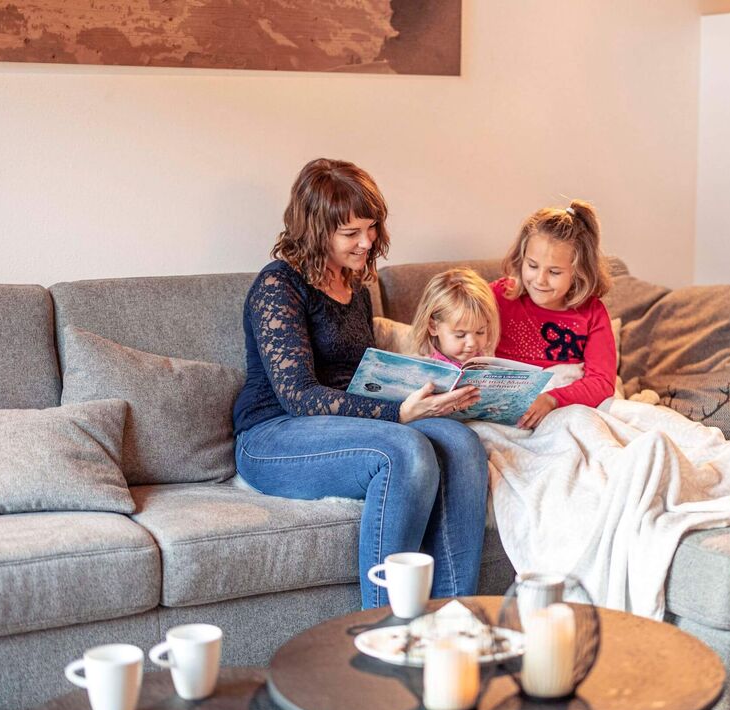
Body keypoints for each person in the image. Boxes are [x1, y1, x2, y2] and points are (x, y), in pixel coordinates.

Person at [232, 158, 489, 610]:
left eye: (370, 229)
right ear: (314, 231)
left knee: (462, 444)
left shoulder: (356, 286)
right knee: (404, 451)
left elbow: (363, 380)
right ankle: (385, 624)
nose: (367, 242)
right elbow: (299, 396)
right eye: (351, 234)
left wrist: (427, 396)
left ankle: (453, 619)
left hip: (344, 424)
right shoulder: (278, 286)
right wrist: (398, 414)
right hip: (273, 435)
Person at [493, 200, 616, 429]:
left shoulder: (592, 312)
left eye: (554, 272)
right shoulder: (498, 297)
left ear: (579, 272)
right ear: (521, 259)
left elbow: (602, 382)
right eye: (532, 266)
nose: (540, 280)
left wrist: (552, 399)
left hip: (562, 406)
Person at [409, 268, 500, 367]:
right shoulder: (423, 368)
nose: (472, 343)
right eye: (460, 335)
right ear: (433, 326)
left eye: (480, 332)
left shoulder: (485, 358)